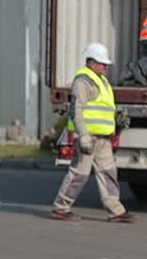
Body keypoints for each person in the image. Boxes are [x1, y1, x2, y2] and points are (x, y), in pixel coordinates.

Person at [52, 42, 133, 223]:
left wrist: (117, 118)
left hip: (103, 138)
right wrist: (83, 136)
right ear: (91, 62)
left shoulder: (102, 81)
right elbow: (77, 110)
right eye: (102, 63)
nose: (106, 67)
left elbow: (103, 108)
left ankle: (116, 210)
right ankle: (61, 208)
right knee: (79, 174)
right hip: (88, 137)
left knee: (108, 173)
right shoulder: (82, 81)